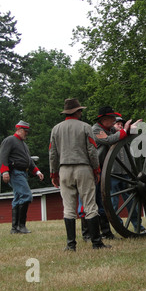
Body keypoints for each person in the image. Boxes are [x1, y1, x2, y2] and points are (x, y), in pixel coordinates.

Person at [49, 98, 110, 251]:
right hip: (83, 168)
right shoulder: (85, 127)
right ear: (77, 112)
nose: (81, 112)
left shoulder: (56, 129)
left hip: (64, 169)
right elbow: (92, 151)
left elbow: (52, 153)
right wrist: (97, 170)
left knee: (68, 207)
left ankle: (71, 245)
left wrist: (53, 173)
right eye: (80, 110)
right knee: (90, 205)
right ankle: (96, 243)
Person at [90, 106, 142, 237]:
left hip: (122, 172)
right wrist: (124, 130)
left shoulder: (111, 128)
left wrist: (131, 128)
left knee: (130, 201)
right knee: (109, 202)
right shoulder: (95, 129)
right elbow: (109, 140)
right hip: (106, 171)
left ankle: (138, 226)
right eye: (112, 118)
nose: (114, 120)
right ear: (104, 119)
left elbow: (123, 135)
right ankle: (114, 227)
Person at [0, 121, 44, 234]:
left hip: (23, 173)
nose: (27, 134)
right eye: (25, 131)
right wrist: (4, 172)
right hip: (15, 173)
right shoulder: (10, 140)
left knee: (18, 198)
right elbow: (2, 157)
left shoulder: (23, 144)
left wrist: (37, 171)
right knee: (26, 195)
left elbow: (28, 160)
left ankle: (15, 228)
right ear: (19, 130)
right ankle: (21, 226)